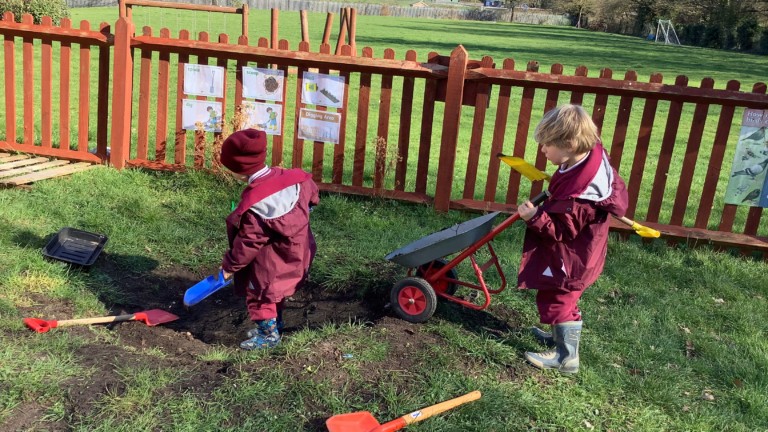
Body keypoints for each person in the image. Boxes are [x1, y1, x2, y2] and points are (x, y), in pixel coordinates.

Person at [516, 104, 628, 374]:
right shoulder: (585, 158)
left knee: (559, 300)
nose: (543, 150)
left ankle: (566, 357)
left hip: (573, 259)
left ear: (570, 143)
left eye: (547, 145)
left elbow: (563, 232)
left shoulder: (581, 196)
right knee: (562, 299)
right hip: (578, 254)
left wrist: (534, 218)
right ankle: (559, 339)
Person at [218, 128, 319, 350]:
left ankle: (267, 336)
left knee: (260, 295)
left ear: (237, 169)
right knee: (276, 292)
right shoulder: (295, 178)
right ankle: (276, 324)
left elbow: (248, 242)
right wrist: (306, 209)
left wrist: (230, 266)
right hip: (297, 252)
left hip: (269, 262)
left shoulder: (256, 204)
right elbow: (312, 192)